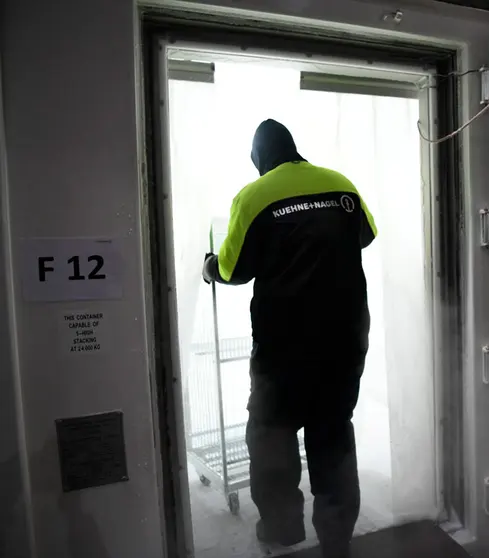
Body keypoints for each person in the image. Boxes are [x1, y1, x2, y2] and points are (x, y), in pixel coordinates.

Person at [202, 119, 376, 558]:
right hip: (344, 344)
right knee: (332, 434)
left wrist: (209, 267)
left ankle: (282, 531)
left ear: (260, 158)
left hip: (285, 352)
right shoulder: (342, 186)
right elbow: (366, 236)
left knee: (270, 436)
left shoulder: (254, 195)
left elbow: (233, 268)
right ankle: (337, 539)